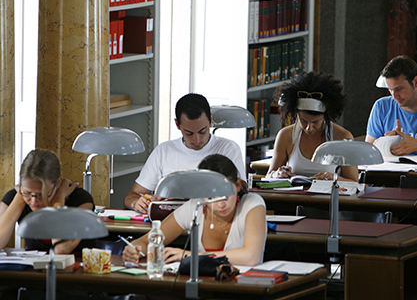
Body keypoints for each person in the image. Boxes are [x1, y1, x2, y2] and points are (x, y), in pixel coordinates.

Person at [122, 154, 266, 266]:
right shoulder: (195, 207)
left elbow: (250, 257)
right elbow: (146, 241)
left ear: (238, 186)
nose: (221, 204)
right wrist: (134, 249)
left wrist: (189, 256)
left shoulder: (252, 204)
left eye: (226, 195)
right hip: (205, 287)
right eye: (211, 197)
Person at [124, 93, 246, 213]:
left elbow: (242, 192)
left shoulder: (228, 149)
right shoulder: (163, 151)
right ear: (177, 124)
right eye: (189, 133)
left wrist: (179, 197)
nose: (197, 140)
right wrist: (136, 203)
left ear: (211, 120)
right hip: (168, 223)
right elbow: (131, 195)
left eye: (202, 131)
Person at [266, 71, 358, 181]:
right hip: (294, 197)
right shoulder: (285, 136)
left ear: (326, 116)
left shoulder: (343, 137)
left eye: (316, 122)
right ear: (296, 115)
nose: (309, 128)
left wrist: (334, 178)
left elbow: (353, 182)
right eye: (303, 121)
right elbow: (269, 175)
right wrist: (276, 174)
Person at [0, 149, 95, 253]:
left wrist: (58, 200)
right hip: (33, 268)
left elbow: (61, 249)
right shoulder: (15, 197)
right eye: (27, 193)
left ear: (58, 183)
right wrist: (20, 197)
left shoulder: (80, 200)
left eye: (42, 195)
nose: (34, 202)